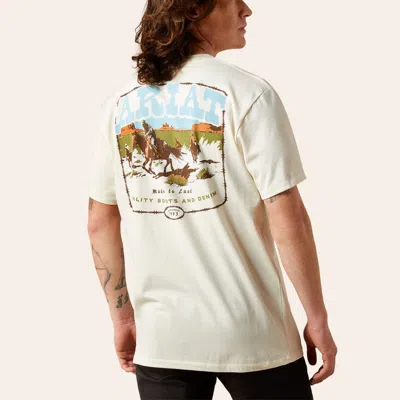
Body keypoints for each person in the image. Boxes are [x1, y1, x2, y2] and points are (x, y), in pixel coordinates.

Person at [87, 0, 338, 399]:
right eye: (234, 0)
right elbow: (287, 215)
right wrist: (317, 317)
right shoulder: (249, 94)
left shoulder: (119, 104)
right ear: (194, 11)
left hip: (162, 338)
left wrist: (122, 318)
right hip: (254, 335)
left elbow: (100, 220)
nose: (246, 10)